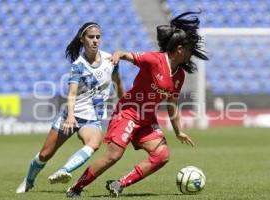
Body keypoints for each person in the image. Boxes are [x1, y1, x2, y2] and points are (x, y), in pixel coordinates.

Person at [66, 11, 208, 198]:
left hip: (147, 119)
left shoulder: (179, 75)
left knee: (162, 155)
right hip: (128, 113)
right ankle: (76, 188)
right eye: (189, 50)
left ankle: (119, 184)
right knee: (113, 156)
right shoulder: (154, 60)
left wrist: (178, 131)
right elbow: (125, 54)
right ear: (180, 49)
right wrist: (117, 55)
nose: (191, 55)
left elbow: (172, 104)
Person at [16, 22, 123, 193]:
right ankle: (29, 181)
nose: (95, 40)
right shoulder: (78, 65)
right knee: (45, 155)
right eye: (91, 37)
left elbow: (118, 82)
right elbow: (71, 94)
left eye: (98, 37)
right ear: (82, 39)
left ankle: (64, 171)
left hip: (92, 117)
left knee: (94, 143)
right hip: (70, 115)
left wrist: (123, 102)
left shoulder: (111, 61)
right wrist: (71, 116)